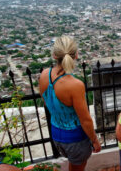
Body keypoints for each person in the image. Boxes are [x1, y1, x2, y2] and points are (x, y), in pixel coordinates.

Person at [39, 36, 101, 171]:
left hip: (56, 133)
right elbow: (85, 120)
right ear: (76, 55)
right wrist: (95, 140)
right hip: (76, 138)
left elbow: (47, 102)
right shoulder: (75, 85)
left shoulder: (44, 75)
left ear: (54, 55)